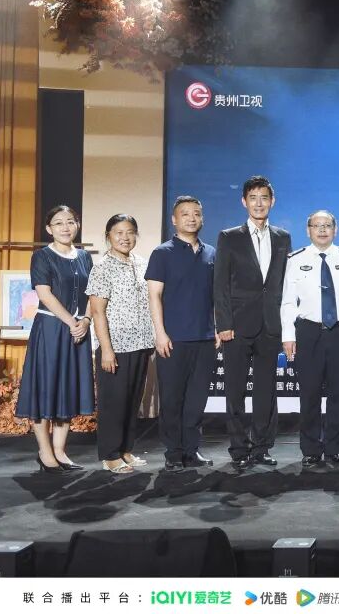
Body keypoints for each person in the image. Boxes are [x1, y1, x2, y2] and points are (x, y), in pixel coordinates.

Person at [214, 175, 292, 471]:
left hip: (270, 324)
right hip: (236, 325)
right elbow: (220, 284)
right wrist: (223, 323)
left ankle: (261, 447)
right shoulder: (229, 237)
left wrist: (285, 325)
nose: (259, 203)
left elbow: (283, 284)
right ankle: (238, 448)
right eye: (253, 198)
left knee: (266, 390)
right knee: (234, 390)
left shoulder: (283, 237)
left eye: (264, 198)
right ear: (244, 201)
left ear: (272, 201)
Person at [17, 205, 94, 473]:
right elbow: (44, 294)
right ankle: (45, 451)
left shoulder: (84, 257)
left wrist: (86, 320)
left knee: (67, 388)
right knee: (46, 388)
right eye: (59, 223)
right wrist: (72, 322)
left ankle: (60, 451)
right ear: (49, 229)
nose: (65, 227)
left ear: (77, 225)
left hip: (78, 330)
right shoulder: (42, 256)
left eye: (70, 221)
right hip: (51, 329)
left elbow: (92, 294)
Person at [146, 196, 217, 472]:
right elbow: (154, 295)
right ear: (174, 220)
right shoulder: (162, 253)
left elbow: (216, 296)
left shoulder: (211, 253)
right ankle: (173, 452)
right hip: (173, 339)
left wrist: (217, 327)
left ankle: (191, 449)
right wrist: (160, 333)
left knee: (197, 400)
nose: (191, 218)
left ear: (202, 219)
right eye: (185, 214)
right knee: (172, 398)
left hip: (205, 338)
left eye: (196, 213)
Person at [280, 210, 339, 468]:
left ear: (336, 229)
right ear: (308, 230)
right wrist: (288, 335)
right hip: (308, 332)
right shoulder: (295, 259)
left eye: (327, 225)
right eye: (316, 225)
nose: (322, 230)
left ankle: (335, 449)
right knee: (309, 393)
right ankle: (311, 449)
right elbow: (288, 301)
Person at [86, 214, 155, 474]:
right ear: (108, 236)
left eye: (130, 232)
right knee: (113, 402)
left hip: (141, 343)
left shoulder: (142, 263)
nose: (125, 238)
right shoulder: (102, 267)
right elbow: (98, 311)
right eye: (119, 233)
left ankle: (126, 449)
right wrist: (106, 349)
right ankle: (110, 454)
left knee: (132, 400)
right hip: (115, 346)